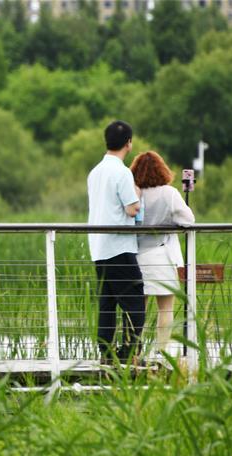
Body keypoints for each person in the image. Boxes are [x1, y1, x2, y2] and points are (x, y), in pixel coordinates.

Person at [87, 120, 144, 363]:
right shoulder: (122, 172)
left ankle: (106, 353)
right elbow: (132, 209)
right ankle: (129, 354)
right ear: (128, 143)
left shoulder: (95, 172)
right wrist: (138, 196)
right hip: (119, 247)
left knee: (107, 303)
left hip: (98, 246)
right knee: (134, 301)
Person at [129, 151, 195, 355]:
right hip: (161, 256)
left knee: (137, 308)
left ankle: (134, 350)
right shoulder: (169, 193)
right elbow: (188, 220)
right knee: (165, 308)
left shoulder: (134, 193)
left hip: (136, 256)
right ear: (161, 170)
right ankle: (161, 351)